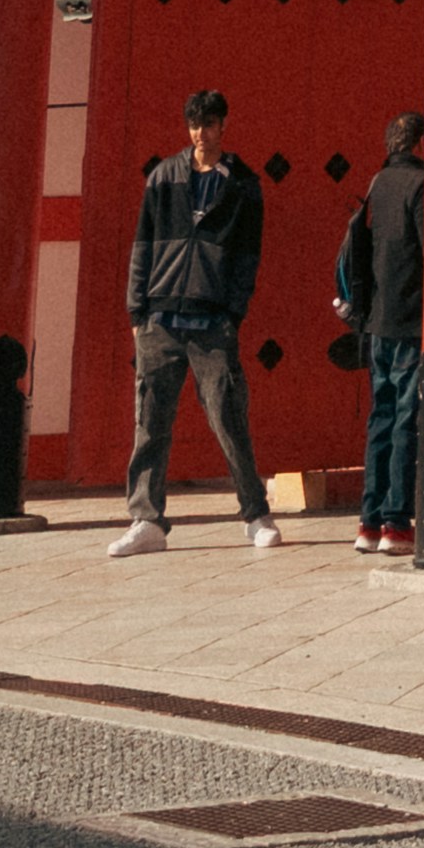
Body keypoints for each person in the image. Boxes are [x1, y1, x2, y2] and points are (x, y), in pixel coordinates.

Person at [107, 87, 281, 559]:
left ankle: (255, 512)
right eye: (193, 125)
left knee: (227, 416)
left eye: (208, 124)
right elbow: (141, 246)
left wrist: (232, 312)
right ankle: (146, 519)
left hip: (211, 320)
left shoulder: (243, 184)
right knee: (150, 421)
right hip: (160, 318)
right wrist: (136, 312)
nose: (200, 134)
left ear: (224, 126)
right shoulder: (164, 177)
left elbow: (248, 256)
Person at [336, 109, 424, 553]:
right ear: (421, 144)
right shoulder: (421, 186)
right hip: (410, 320)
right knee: (406, 421)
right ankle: (396, 521)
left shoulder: (376, 185)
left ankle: (368, 523)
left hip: (375, 323)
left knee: (381, 419)